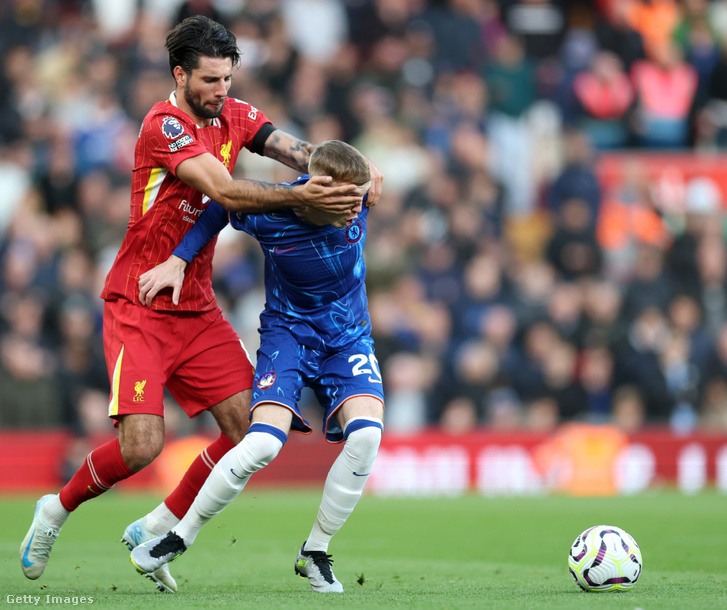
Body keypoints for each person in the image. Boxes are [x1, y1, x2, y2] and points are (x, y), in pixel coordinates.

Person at [19, 16, 382, 592]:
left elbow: (303, 154)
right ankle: (54, 511)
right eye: (211, 80)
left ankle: (160, 527)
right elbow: (227, 191)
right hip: (139, 302)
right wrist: (306, 196)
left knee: (250, 430)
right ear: (180, 73)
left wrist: (352, 176)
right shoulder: (163, 125)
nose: (223, 91)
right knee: (142, 447)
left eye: (229, 79)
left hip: (196, 307)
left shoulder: (235, 114)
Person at [130, 140, 384, 593]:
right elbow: (217, 209)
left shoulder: (357, 196)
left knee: (366, 436)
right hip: (288, 335)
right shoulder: (269, 212)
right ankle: (177, 537)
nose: (355, 210)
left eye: (358, 198)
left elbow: (369, 178)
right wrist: (179, 259)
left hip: (348, 338)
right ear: (318, 189)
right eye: (346, 200)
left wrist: (370, 175)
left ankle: (316, 551)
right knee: (263, 445)